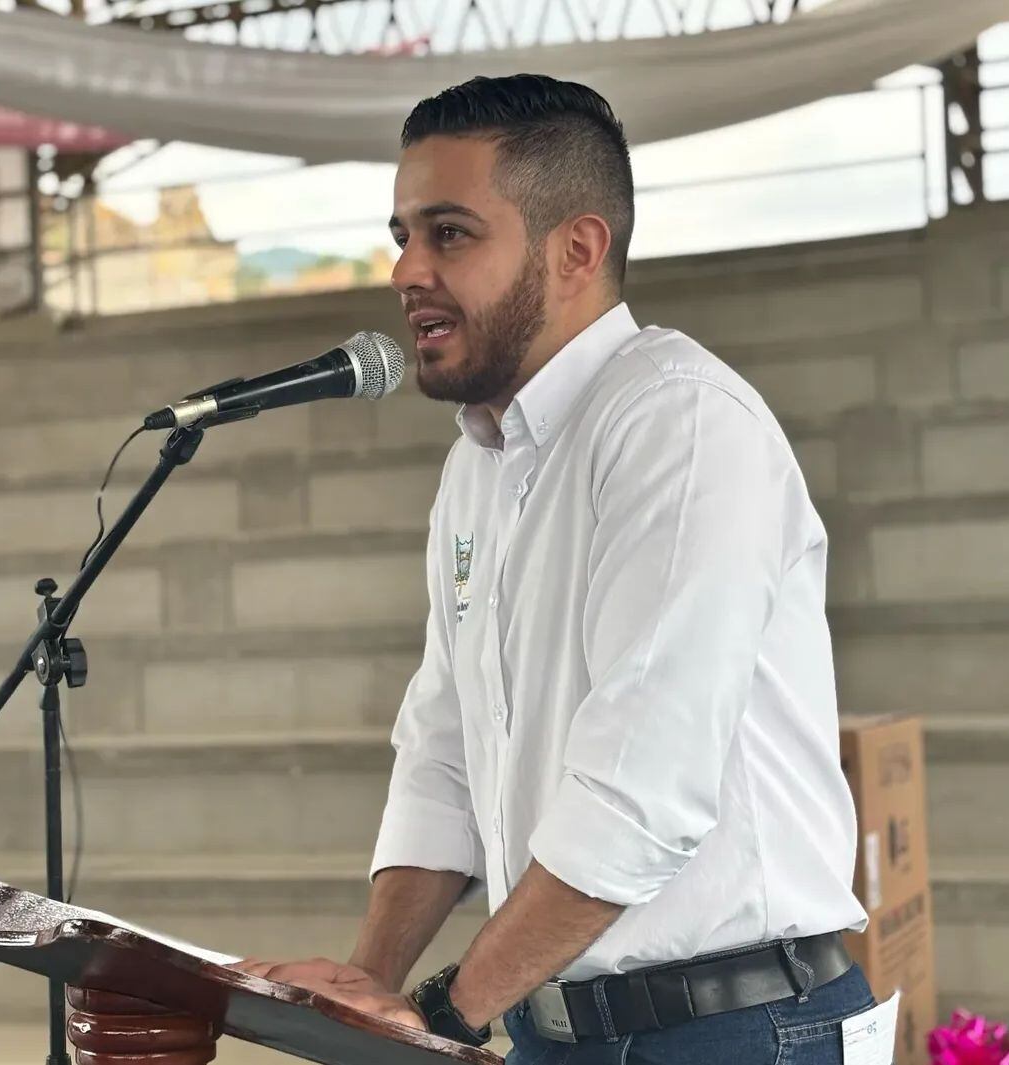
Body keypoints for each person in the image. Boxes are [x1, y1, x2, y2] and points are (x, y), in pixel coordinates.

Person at [69, 73, 874, 1065]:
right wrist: (366, 994)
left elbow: (643, 789)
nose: (407, 269)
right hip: (551, 1024)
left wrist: (446, 1012)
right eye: (401, 233)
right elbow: (443, 749)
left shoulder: (680, 425)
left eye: (449, 233)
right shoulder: (479, 461)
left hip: (732, 1031)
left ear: (577, 249)